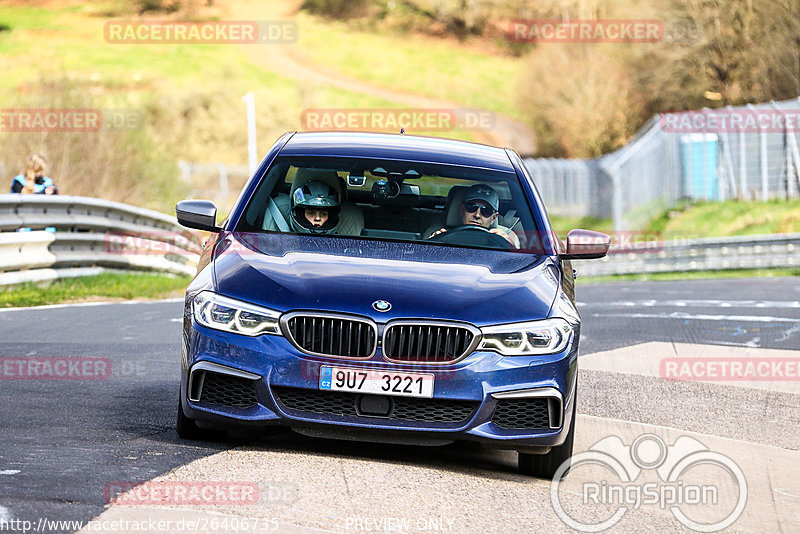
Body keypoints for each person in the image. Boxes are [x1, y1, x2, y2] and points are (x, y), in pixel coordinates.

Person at [429, 183, 520, 248]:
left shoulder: (507, 237)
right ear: (462, 210)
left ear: (494, 218)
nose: (477, 215)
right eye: (472, 207)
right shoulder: (441, 235)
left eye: (486, 211)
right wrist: (434, 243)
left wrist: (511, 248)